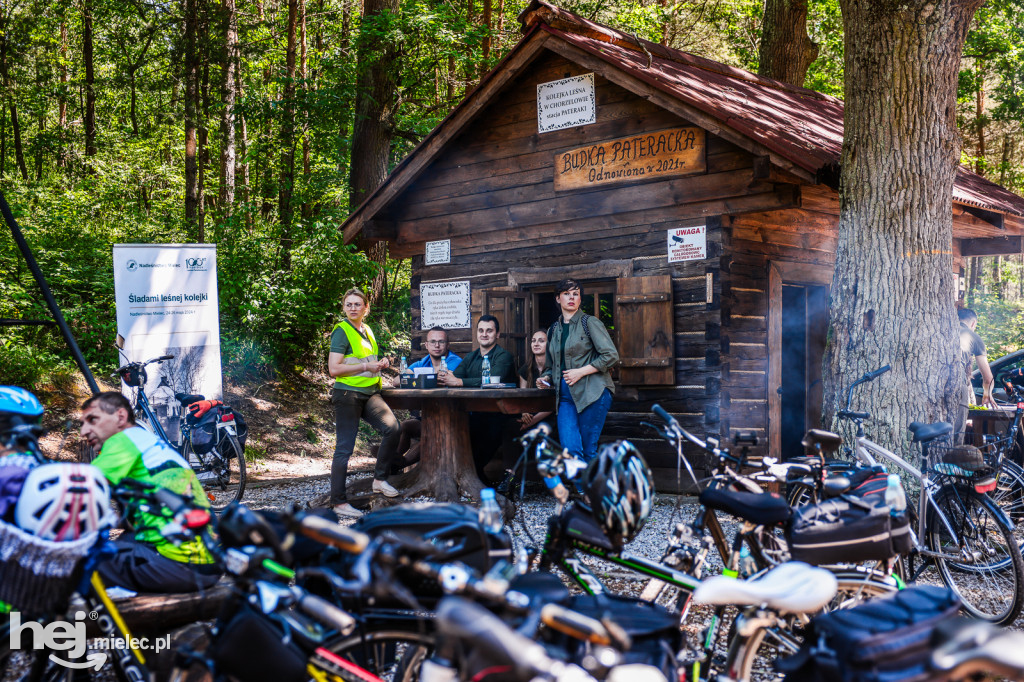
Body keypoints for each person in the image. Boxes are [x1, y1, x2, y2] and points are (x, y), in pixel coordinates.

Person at [80, 391, 222, 593]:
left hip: (180, 565)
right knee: (120, 543)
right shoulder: (147, 442)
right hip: (206, 561)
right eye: (83, 423)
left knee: (80, 564)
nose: (84, 431)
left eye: (92, 420)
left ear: (120, 417)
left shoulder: (122, 440)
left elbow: (76, 489)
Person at [328, 287, 401, 518]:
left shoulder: (367, 330)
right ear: (343, 307)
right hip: (348, 395)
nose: (352, 308)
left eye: (357, 304)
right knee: (344, 449)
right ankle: (338, 502)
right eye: (348, 304)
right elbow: (333, 369)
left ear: (365, 308)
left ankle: (379, 480)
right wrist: (366, 367)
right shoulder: (341, 331)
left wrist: (381, 363)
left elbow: (367, 360)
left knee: (393, 428)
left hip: (370, 392)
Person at [538, 279, 619, 462]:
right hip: (565, 398)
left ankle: (589, 491)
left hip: (593, 393)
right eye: (566, 294)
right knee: (571, 449)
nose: (571, 297)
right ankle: (588, 489)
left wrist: (581, 371)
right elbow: (551, 366)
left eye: (575, 294)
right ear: (558, 299)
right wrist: (545, 378)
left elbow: (611, 355)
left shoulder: (589, 323)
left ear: (580, 299)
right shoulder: (554, 330)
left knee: (588, 449)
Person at [438, 314, 518, 480]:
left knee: (484, 436)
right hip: (475, 413)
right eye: (481, 330)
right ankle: (475, 481)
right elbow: (454, 376)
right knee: (455, 428)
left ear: (497, 334)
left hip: (501, 414)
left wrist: (459, 382)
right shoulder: (471, 357)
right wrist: (451, 378)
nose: (484, 334)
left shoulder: (504, 356)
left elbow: (494, 379)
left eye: (489, 330)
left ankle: (480, 482)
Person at [393, 327, 463, 472]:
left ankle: (400, 463)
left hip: (454, 419)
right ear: (426, 345)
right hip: (430, 416)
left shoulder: (456, 361)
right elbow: (396, 381)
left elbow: (442, 379)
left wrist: (417, 376)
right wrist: (410, 375)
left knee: (431, 430)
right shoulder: (423, 362)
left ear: (447, 344)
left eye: (441, 342)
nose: (437, 346)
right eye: (433, 342)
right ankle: (392, 463)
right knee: (406, 426)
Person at [956, 308, 997, 440]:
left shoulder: (941, 329)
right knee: (955, 438)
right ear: (973, 323)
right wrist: (987, 394)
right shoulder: (973, 336)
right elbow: (988, 377)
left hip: (932, 387)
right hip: (956, 387)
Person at [519, 329, 553, 431]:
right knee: (510, 427)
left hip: (550, 417)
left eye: (541, 341)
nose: (536, 344)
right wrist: (524, 413)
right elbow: (522, 396)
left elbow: (555, 403)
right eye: (533, 341)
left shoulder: (556, 369)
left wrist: (532, 421)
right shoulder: (525, 369)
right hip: (530, 415)